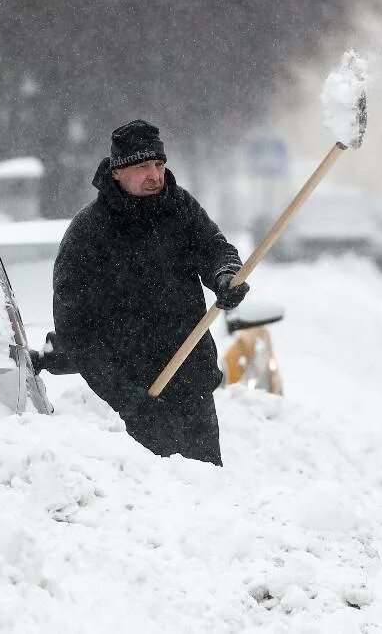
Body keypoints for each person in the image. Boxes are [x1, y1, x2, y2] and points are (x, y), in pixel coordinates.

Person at [52, 120, 249, 465]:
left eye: (159, 165)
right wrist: (129, 400)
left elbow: (214, 248)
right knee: (152, 507)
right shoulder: (89, 233)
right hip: (134, 398)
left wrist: (224, 276)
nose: (154, 175)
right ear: (117, 172)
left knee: (209, 496)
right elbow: (76, 332)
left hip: (190, 383)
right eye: (143, 166)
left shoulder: (180, 208)